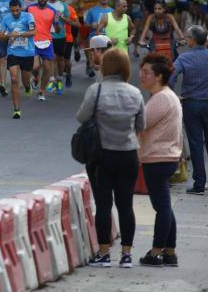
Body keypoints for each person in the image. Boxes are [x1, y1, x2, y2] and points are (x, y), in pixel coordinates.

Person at [76, 48, 145, 269]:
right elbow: (141, 126)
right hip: (127, 154)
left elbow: (82, 117)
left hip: (101, 156)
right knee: (126, 205)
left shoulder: (95, 90)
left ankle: (104, 254)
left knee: (104, 205)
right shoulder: (135, 92)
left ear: (105, 66)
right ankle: (126, 255)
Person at [137, 53, 183, 267]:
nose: (141, 75)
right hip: (165, 157)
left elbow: (140, 124)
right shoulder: (166, 96)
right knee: (164, 206)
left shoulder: (162, 98)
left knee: (162, 207)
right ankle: (170, 252)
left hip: (158, 158)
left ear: (159, 76)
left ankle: (155, 251)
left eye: (146, 72)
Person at [169, 25, 208, 195]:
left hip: (191, 104)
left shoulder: (184, 58)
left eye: (187, 37)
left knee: (196, 144)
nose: (185, 40)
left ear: (194, 40)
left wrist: (173, 96)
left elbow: (170, 77)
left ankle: (199, 183)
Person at [0, 0, 36, 119]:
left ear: (21, 8)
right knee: (14, 79)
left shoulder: (28, 16)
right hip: (13, 52)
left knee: (25, 79)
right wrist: (9, 35)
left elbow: (33, 32)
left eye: (17, 10)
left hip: (27, 52)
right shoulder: (6, 19)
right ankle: (16, 109)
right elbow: (1, 36)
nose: (15, 13)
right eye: (13, 11)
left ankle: (28, 86)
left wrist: (18, 34)